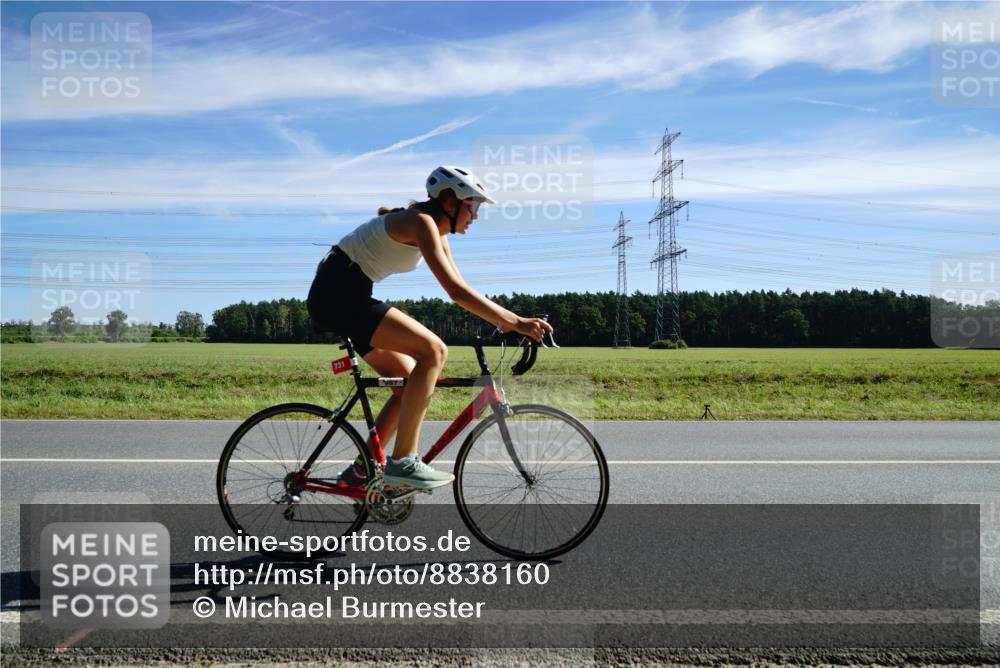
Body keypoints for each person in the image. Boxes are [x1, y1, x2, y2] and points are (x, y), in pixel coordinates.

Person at [307, 166, 553, 490]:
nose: (475, 216)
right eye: (473, 206)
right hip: (339, 294)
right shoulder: (420, 222)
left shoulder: (435, 232)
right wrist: (516, 323)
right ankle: (403, 462)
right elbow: (455, 292)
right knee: (434, 351)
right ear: (450, 202)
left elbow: (463, 289)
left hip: (347, 294)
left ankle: (361, 471)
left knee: (408, 383)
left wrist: (507, 322)